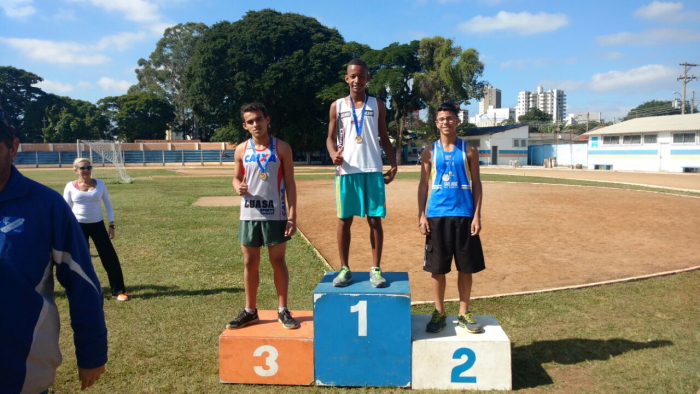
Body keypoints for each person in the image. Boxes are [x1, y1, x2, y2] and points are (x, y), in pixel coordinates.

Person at [0, 106, 107, 392]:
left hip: (21, 371)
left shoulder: (45, 205)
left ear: (13, 147)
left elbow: (82, 281)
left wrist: (92, 353)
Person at [325, 58, 398, 288]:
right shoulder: (337, 105)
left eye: (362, 76)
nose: (357, 80)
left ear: (368, 78)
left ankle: (376, 269)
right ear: (346, 78)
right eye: (353, 76)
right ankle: (344, 268)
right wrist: (332, 153)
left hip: (373, 169)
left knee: (375, 220)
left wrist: (394, 163)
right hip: (346, 170)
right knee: (344, 220)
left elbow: (384, 137)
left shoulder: (378, 104)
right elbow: (329, 137)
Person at [227, 102, 300, 330]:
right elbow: (235, 177)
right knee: (250, 262)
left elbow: (289, 182)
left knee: (278, 261)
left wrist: (292, 216)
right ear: (245, 125)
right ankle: (250, 311)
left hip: (276, 214)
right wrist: (237, 185)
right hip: (249, 214)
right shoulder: (241, 149)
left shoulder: (282, 148)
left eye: (259, 119)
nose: (255, 124)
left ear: (267, 120)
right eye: (250, 121)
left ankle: (282, 310)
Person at [417, 102, 485, 334]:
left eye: (450, 118)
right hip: (437, 216)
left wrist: (476, 215)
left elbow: (477, 184)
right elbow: (423, 185)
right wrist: (422, 215)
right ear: (436, 123)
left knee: (465, 268)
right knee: (438, 269)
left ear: (457, 120)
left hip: (465, 216)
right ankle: (439, 312)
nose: (446, 122)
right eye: (442, 119)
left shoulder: (469, 150)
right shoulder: (429, 151)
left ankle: (464, 311)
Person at [64, 158, 130, 301]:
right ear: (76, 170)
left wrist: (111, 225)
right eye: (82, 168)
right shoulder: (70, 186)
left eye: (88, 167)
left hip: (97, 225)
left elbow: (108, 205)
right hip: (78, 226)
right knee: (80, 259)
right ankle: (81, 290)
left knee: (110, 257)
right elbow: (65, 210)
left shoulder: (100, 184)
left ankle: (118, 291)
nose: (86, 170)